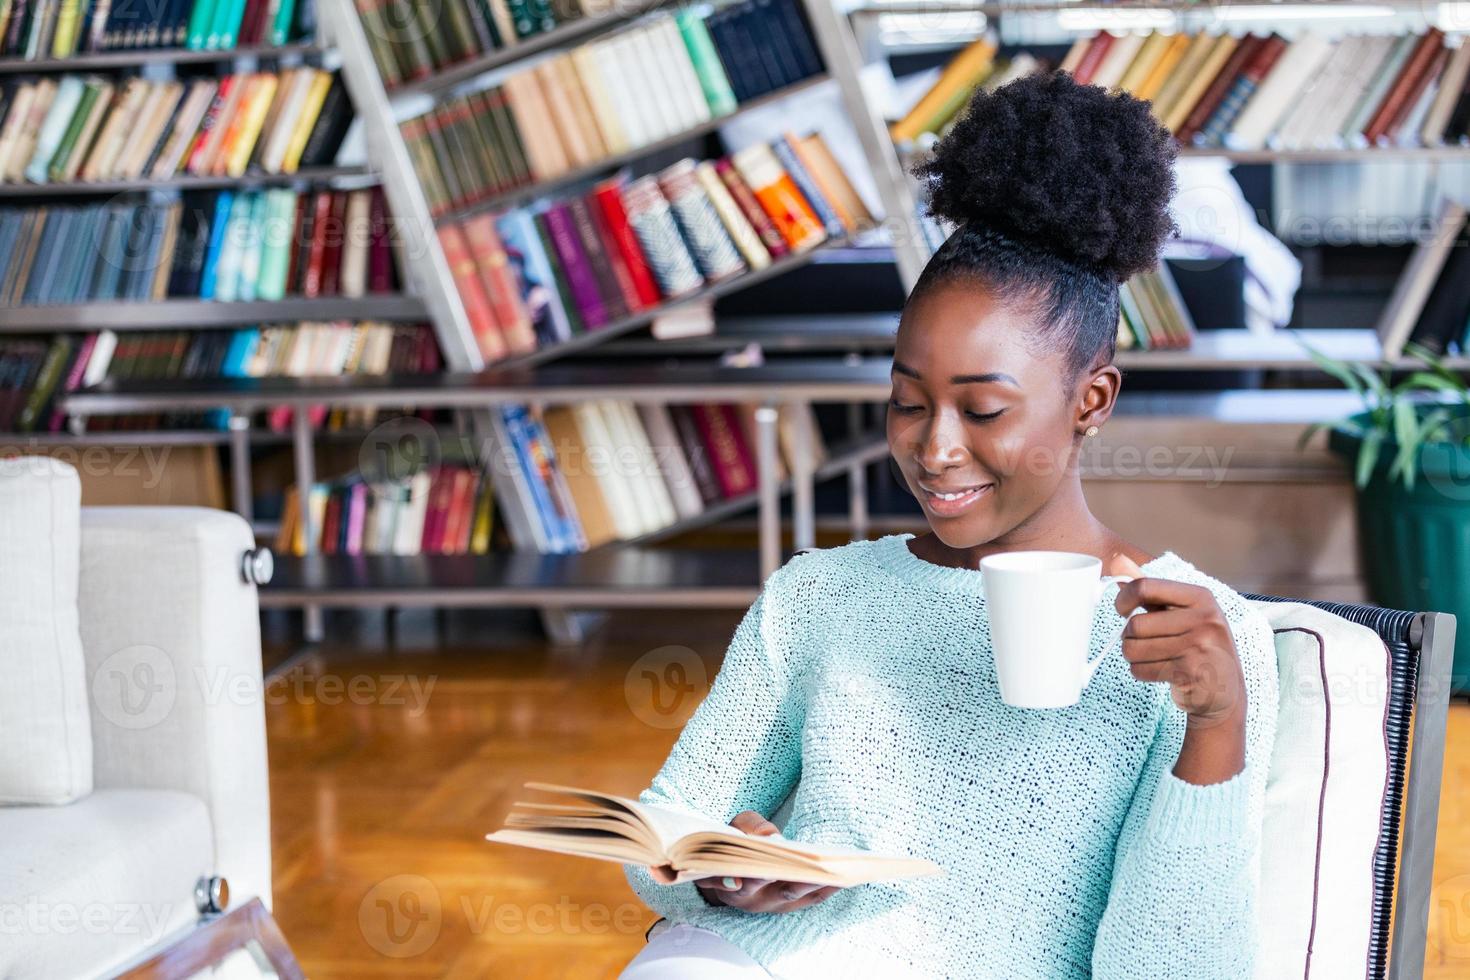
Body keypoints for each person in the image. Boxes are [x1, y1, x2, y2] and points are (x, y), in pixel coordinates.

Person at [620, 71, 1279, 980]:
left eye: (983, 411)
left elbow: (1170, 970)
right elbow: (659, 832)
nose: (933, 450)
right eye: (906, 402)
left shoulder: (1197, 644)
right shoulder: (818, 595)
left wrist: (1217, 728)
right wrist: (717, 873)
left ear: (1091, 400)